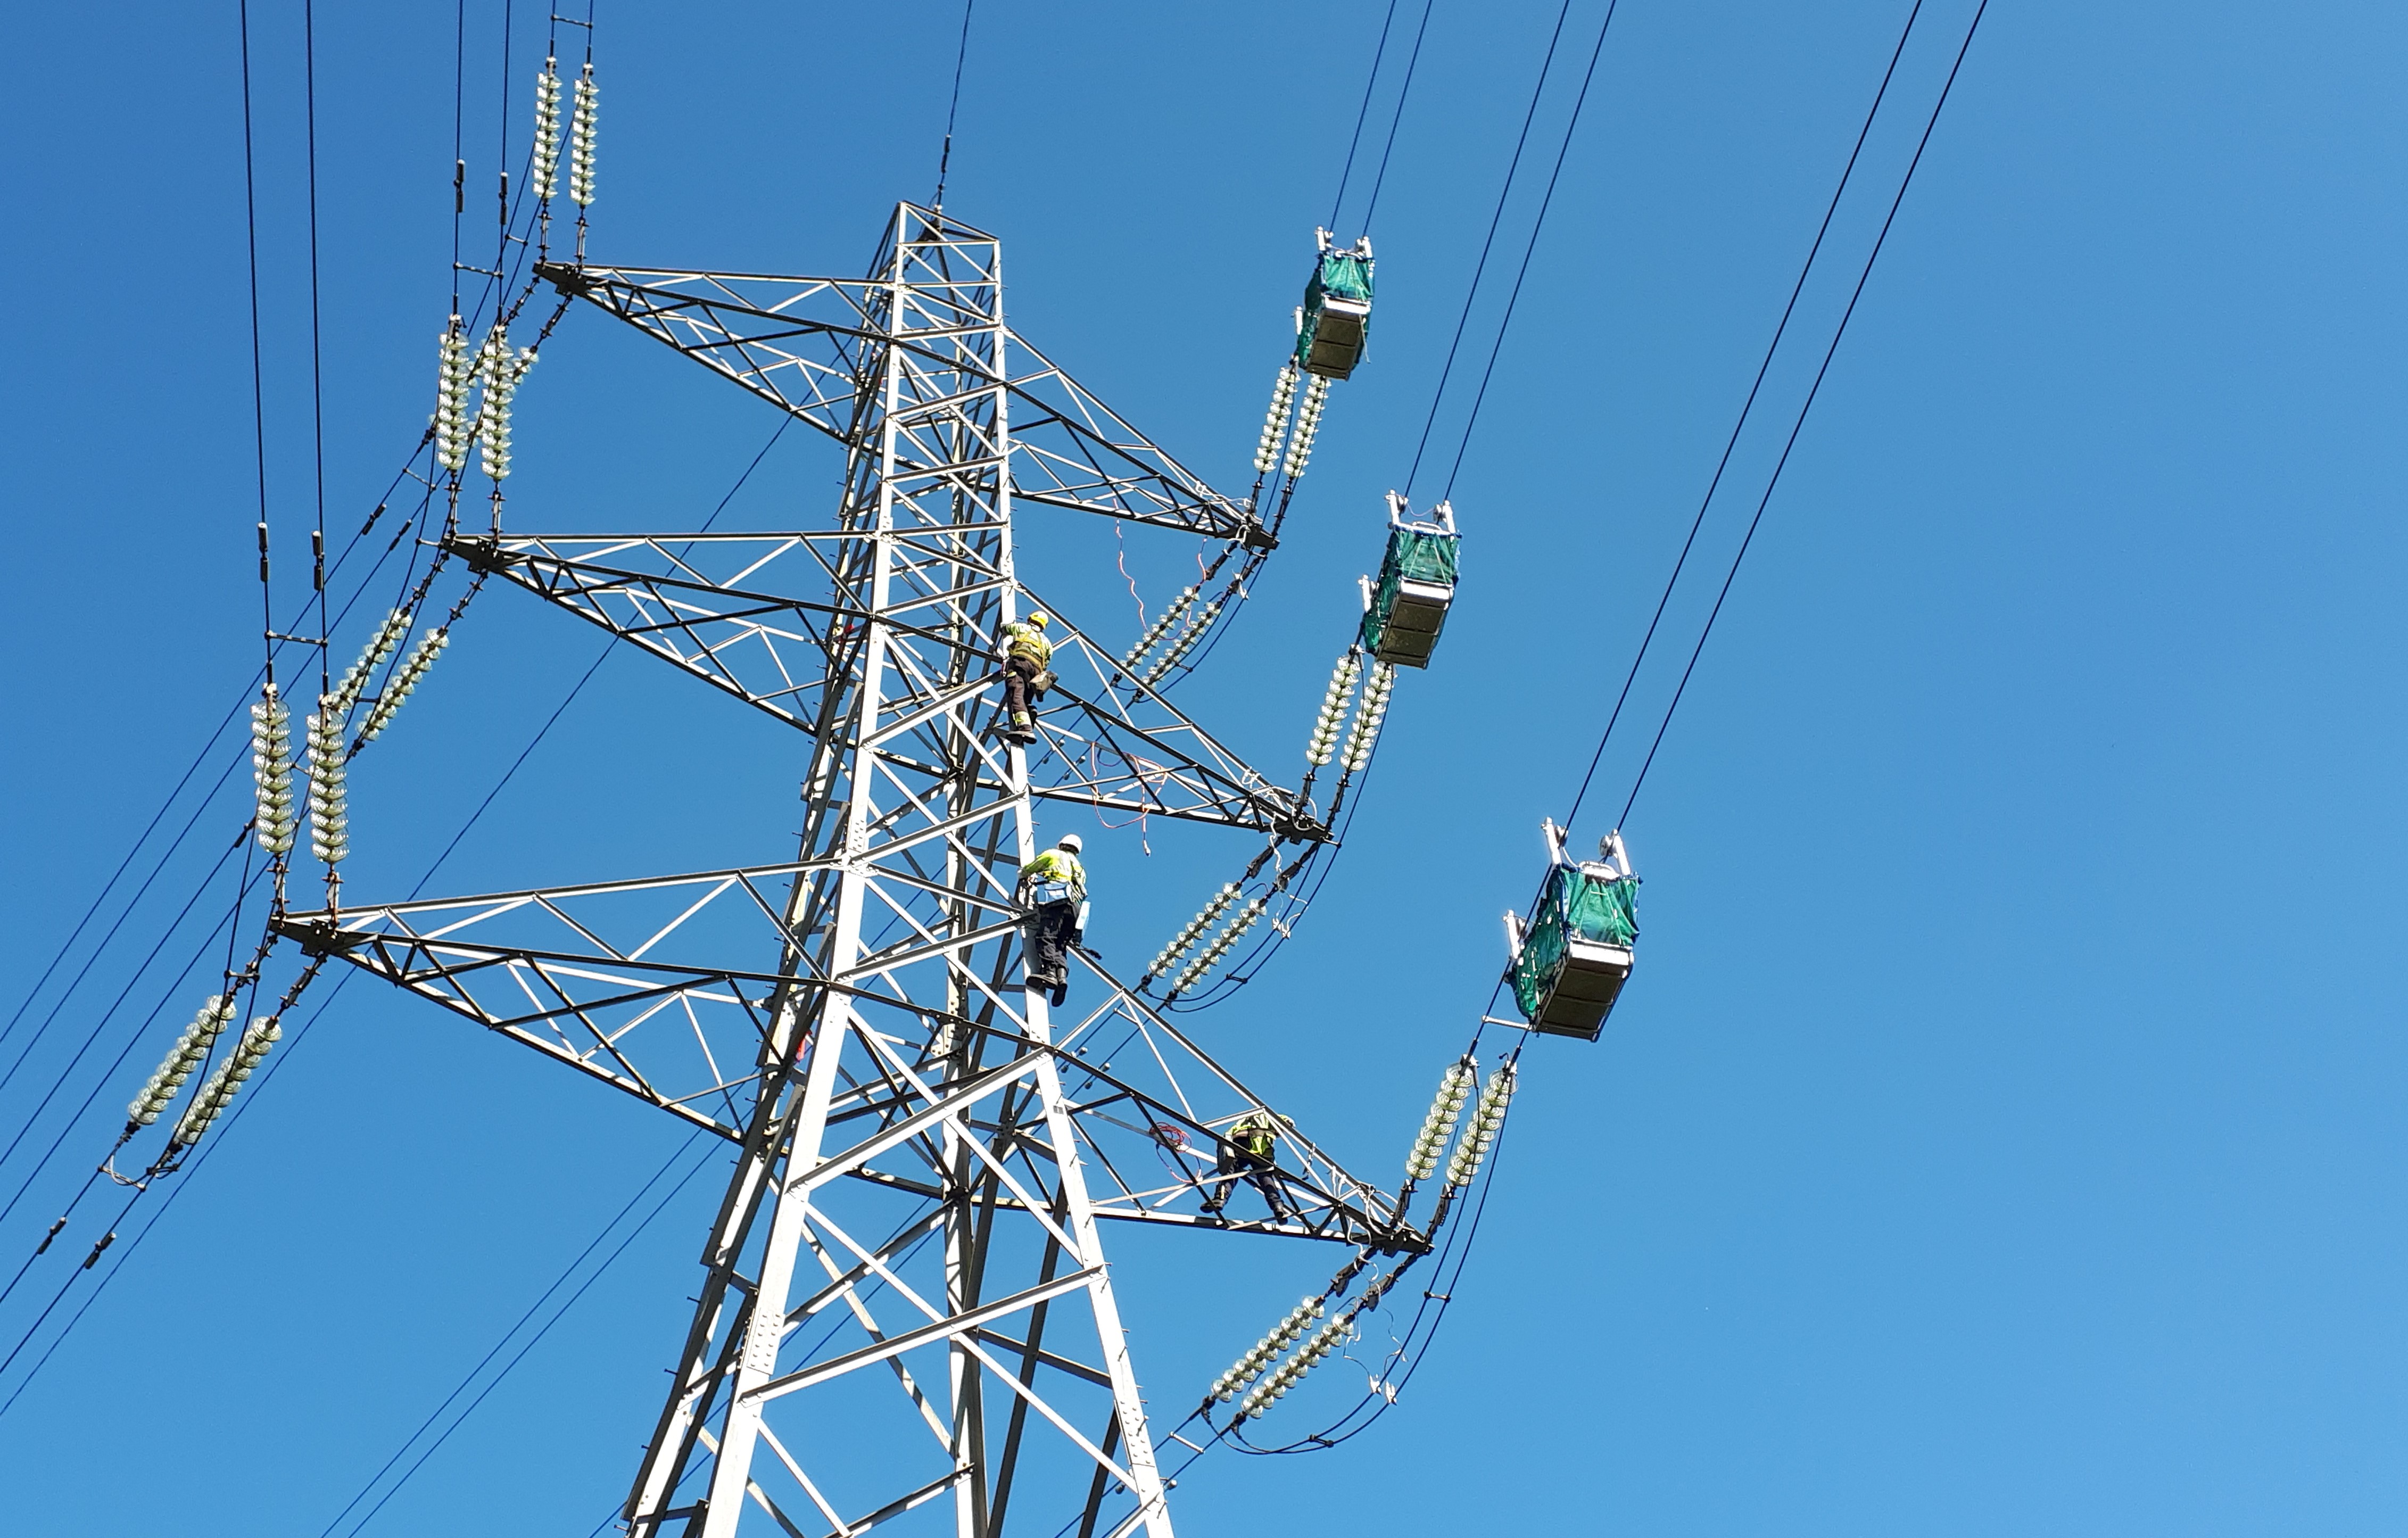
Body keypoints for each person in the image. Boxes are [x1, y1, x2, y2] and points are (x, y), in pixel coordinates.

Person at [1017, 832, 1086, 1005]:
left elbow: (1031, 867)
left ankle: (1050, 974)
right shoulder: (1080, 868)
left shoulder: (1053, 854)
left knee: (1045, 937)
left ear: (1062, 844)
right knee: (1060, 944)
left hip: (1058, 902)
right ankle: (1061, 976)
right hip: (1076, 909)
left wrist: (1024, 875)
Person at [1199, 1109, 1295, 1223]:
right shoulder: (1266, 1119)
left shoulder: (1250, 1121)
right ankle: (1278, 1206)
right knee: (1265, 1176)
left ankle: (1220, 1199)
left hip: (1242, 1143)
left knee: (1231, 1172)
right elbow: (1285, 1120)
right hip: (1257, 1146)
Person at [998, 612, 1054, 744]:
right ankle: (1029, 711)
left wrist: (1008, 623)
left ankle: (1025, 728)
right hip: (1036, 673)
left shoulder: (1023, 628)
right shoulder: (1048, 643)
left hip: (1020, 664)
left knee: (1016, 695)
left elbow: (1005, 628)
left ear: (1031, 619)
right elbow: (1046, 662)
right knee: (1025, 698)